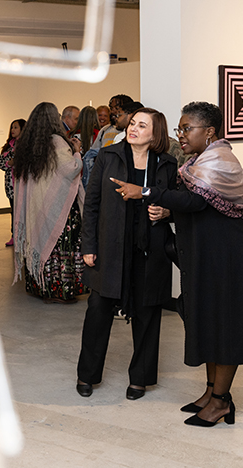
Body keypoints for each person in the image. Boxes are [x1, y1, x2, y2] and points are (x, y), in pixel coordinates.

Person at [114, 101, 243, 427]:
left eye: (187, 129)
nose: (180, 135)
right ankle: (211, 390)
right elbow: (200, 207)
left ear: (209, 132)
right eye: (179, 129)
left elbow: (197, 200)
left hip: (228, 259)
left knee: (225, 328)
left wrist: (145, 192)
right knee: (211, 323)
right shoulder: (200, 161)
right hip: (209, 257)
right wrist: (170, 210)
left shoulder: (220, 160)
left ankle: (221, 402)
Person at [75, 108, 178, 400]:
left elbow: (177, 204)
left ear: (155, 133)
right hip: (109, 249)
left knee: (148, 313)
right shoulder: (109, 157)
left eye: (141, 125)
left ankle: (140, 379)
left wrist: (167, 211)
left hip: (150, 251)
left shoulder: (167, 164)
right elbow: (91, 205)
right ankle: (87, 375)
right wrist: (88, 247)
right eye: (132, 123)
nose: (133, 128)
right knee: (98, 311)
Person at [13, 102, 86, 303]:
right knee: (60, 246)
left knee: (42, 240)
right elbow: (70, 169)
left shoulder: (26, 144)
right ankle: (60, 291)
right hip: (58, 207)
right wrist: (77, 151)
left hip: (36, 208)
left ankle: (41, 287)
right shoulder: (58, 142)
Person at [0, 118, 25, 246]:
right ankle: (15, 235)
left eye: (16, 127)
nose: (13, 130)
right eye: (12, 127)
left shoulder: (26, 145)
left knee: (24, 211)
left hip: (23, 184)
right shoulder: (9, 146)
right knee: (14, 211)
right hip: (11, 185)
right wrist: (10, 163)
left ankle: (24, 236)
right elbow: (0, 163)